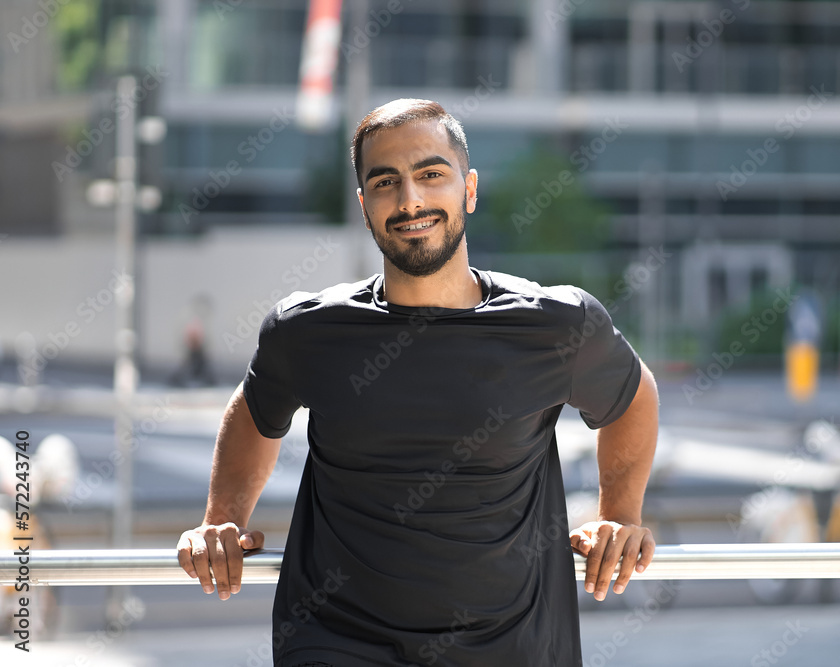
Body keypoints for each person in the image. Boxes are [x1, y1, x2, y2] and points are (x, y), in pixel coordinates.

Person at [176, 98, 659, 667]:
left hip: (513, 646)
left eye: (432, 174)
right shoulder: (307, 331)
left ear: (469, 190)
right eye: (386, 182)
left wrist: (620, 515)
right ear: (364, 206)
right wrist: (222, 522)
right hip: (337, 641)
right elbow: (255, 413)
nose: (410, 200)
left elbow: (632, 398)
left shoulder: (555, 324)